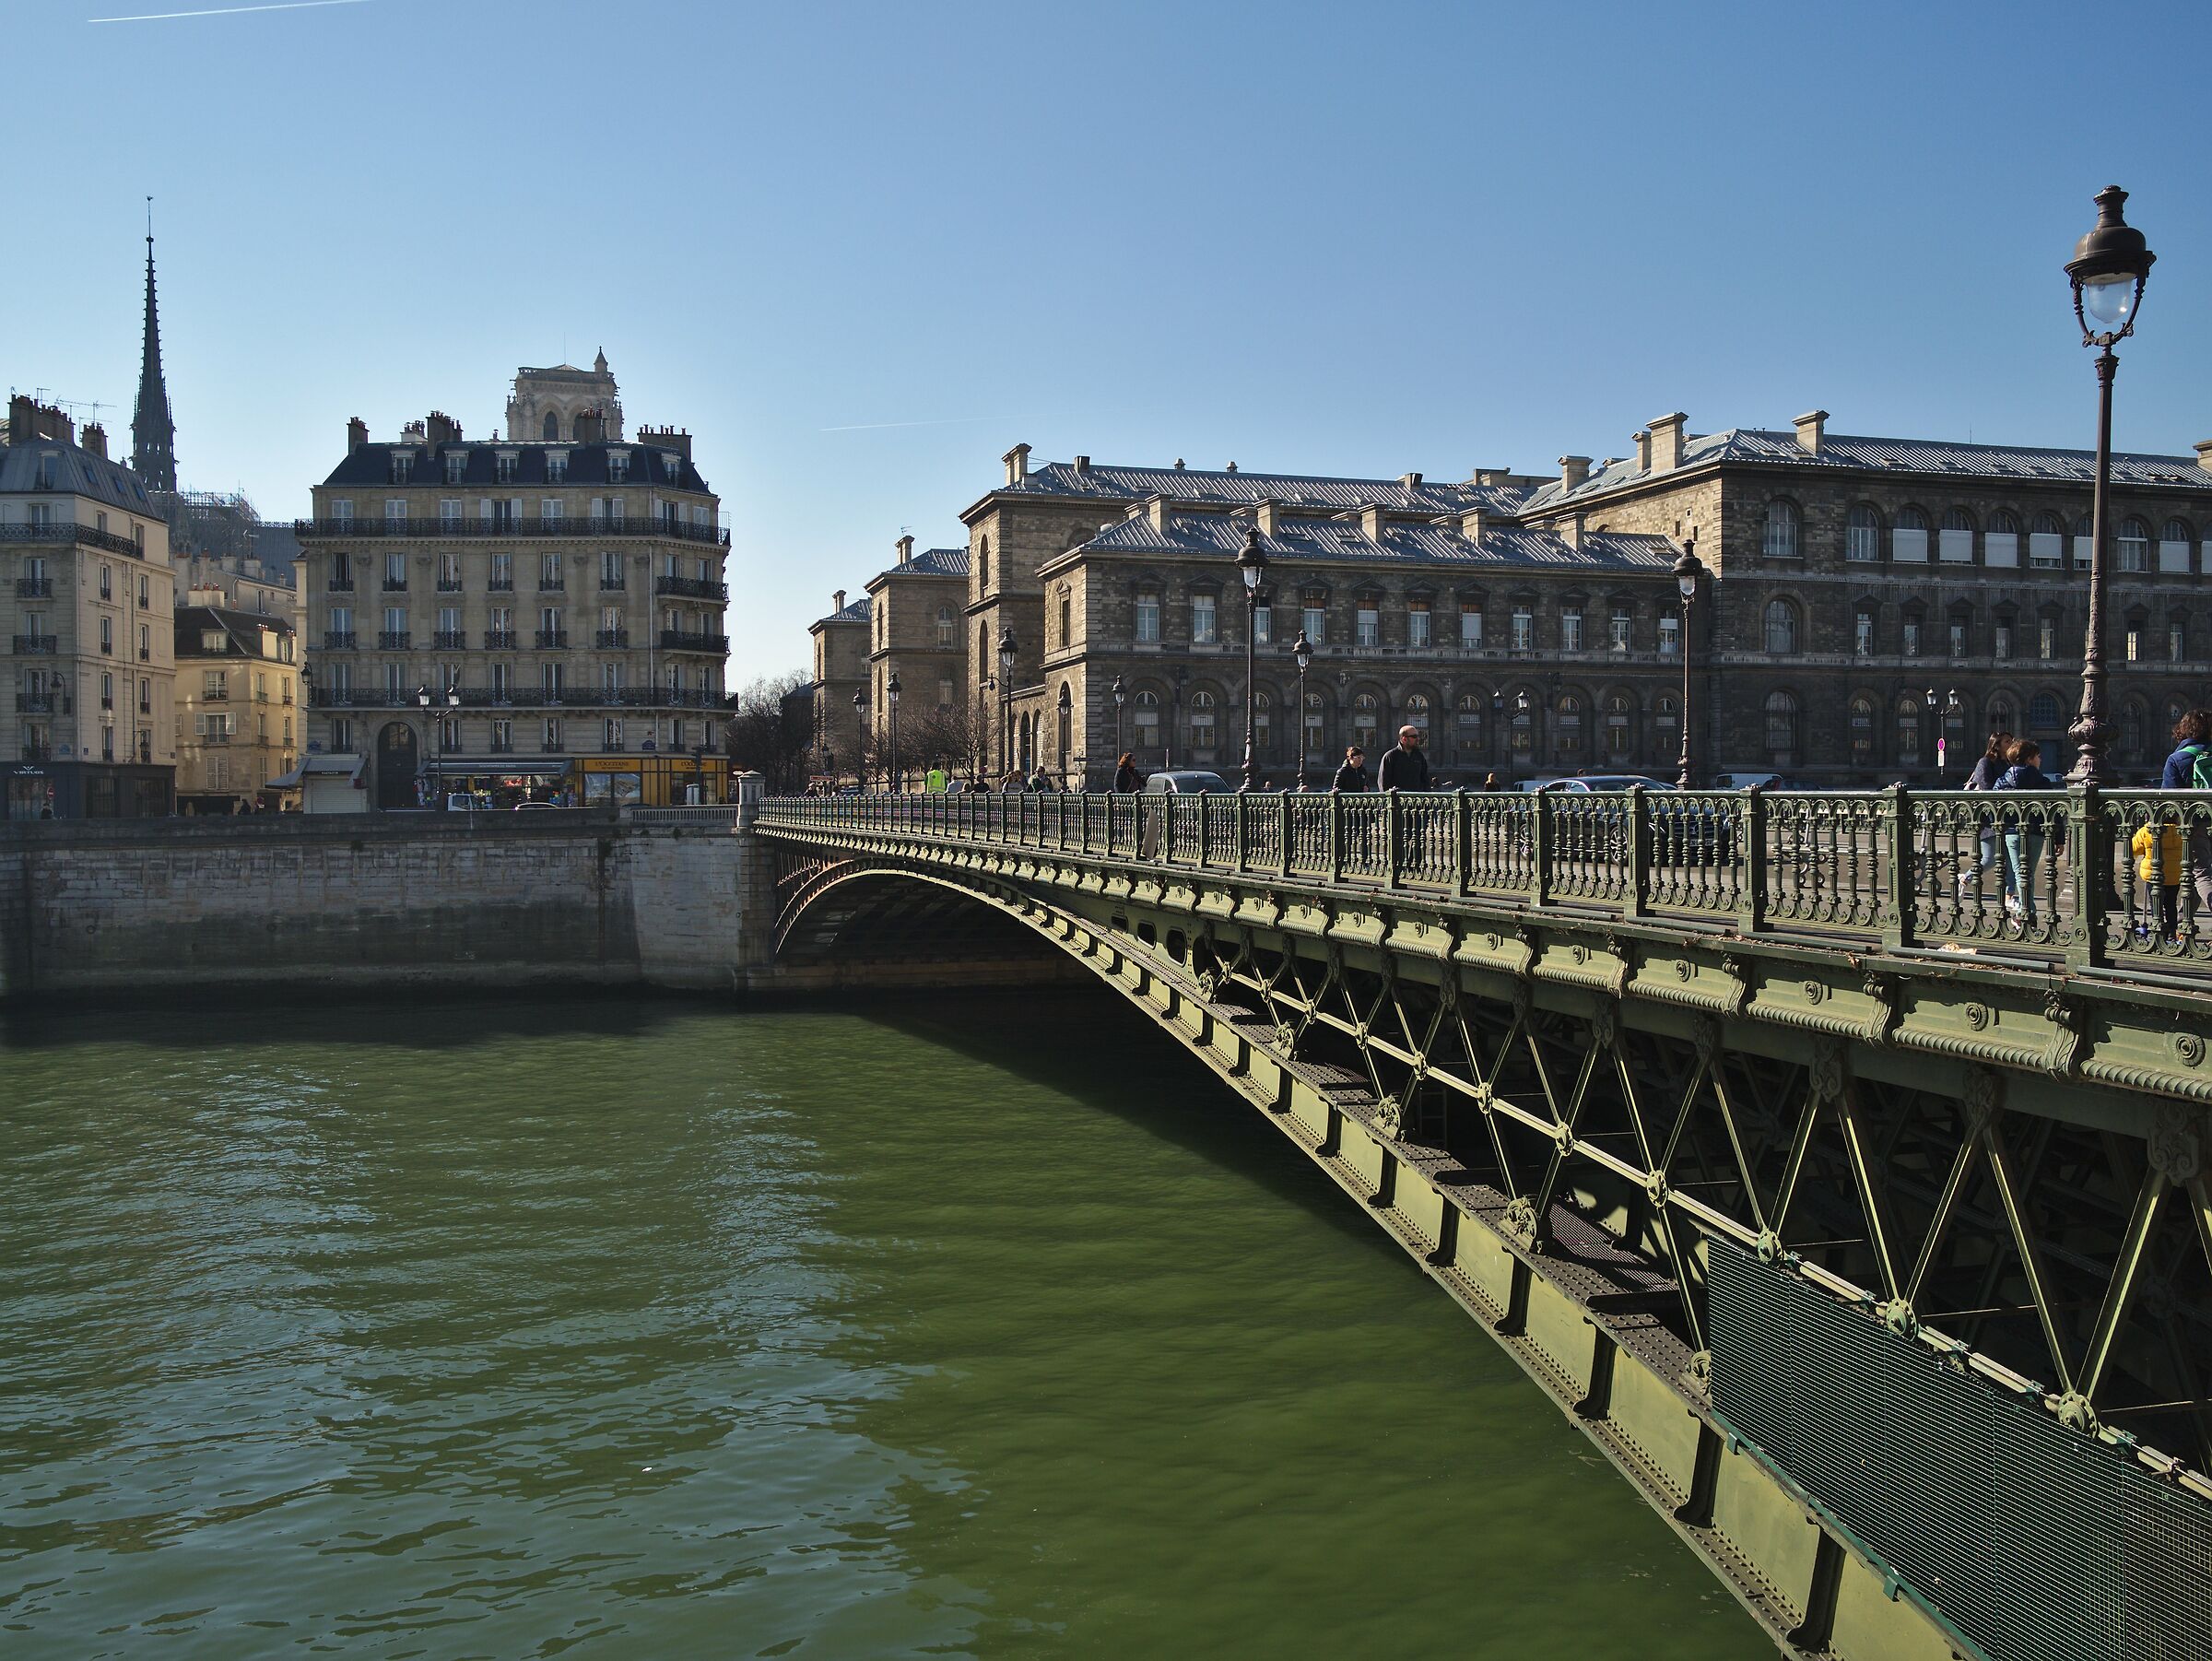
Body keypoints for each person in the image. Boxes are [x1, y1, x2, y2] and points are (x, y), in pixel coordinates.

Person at [1991, 737, 2054, 923]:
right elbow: (2053, 812)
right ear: (2028, 759)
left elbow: (1993, 807)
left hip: (2012, 832)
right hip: (2035, 832)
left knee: (2020, 872)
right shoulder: (2042, 782)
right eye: (2037, 756)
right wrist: (2059, 838)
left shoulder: (2003, 780)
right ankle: (2026, 913)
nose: (2040, 759)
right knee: (2028, 873)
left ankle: (2026, 912)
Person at [2160, 709, 2212, 921]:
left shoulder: (2177, 758)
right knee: (2194, 874)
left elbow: (2169, 802)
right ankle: (2183, 923)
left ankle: (2180, 923)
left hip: (2195, 823)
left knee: (2201, 873)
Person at [1959, 731, 2011, 904]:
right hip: (1988, 819)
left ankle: (2009, 895)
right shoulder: (1985, 762)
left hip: (2006, 817)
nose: (2010, 744)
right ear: (1996, 745)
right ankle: (1965, 878)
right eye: (2007, 742)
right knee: (1989, 859)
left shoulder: (2009, 763)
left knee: (2008, 859)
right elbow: (1987, 789)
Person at [2132, 817, 2184, 941]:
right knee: (2171, 904)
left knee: (2156, 903)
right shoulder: (2181, 830)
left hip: (2153, 875)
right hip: (2174, 874)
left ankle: (2158, 929)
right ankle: (2172, 931)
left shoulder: (2147, 831)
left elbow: (2133, 849)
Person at [1377, 724, 1431, 792]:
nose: (1418, 739)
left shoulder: (1419, 756)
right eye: (1414, 736)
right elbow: (1383, 782)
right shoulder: (1390, 756)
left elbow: (1425, 779)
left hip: (1416, 800)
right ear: (1404, 739)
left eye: (1418, 736)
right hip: (1396, 800)